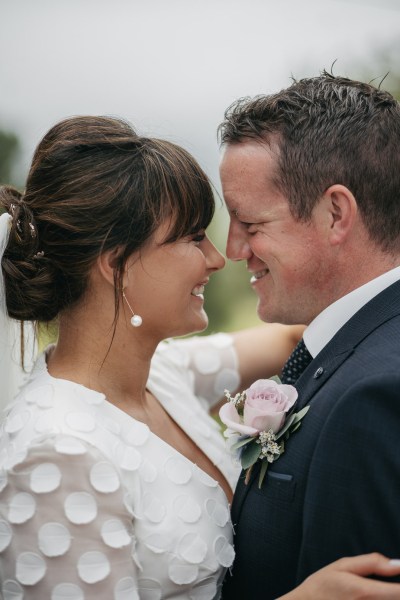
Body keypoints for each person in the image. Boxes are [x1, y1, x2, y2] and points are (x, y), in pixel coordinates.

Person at [0, 115, 399, 600]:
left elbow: (293, 338)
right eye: (192, 237)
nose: (218, 257)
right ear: (115, 263)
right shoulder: (56, 452)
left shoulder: (164, 377)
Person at [218, 71, 400, 598]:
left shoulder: (378, 394)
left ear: (335, 214)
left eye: (251, 225)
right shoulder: (350, 350)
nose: (233, 250)